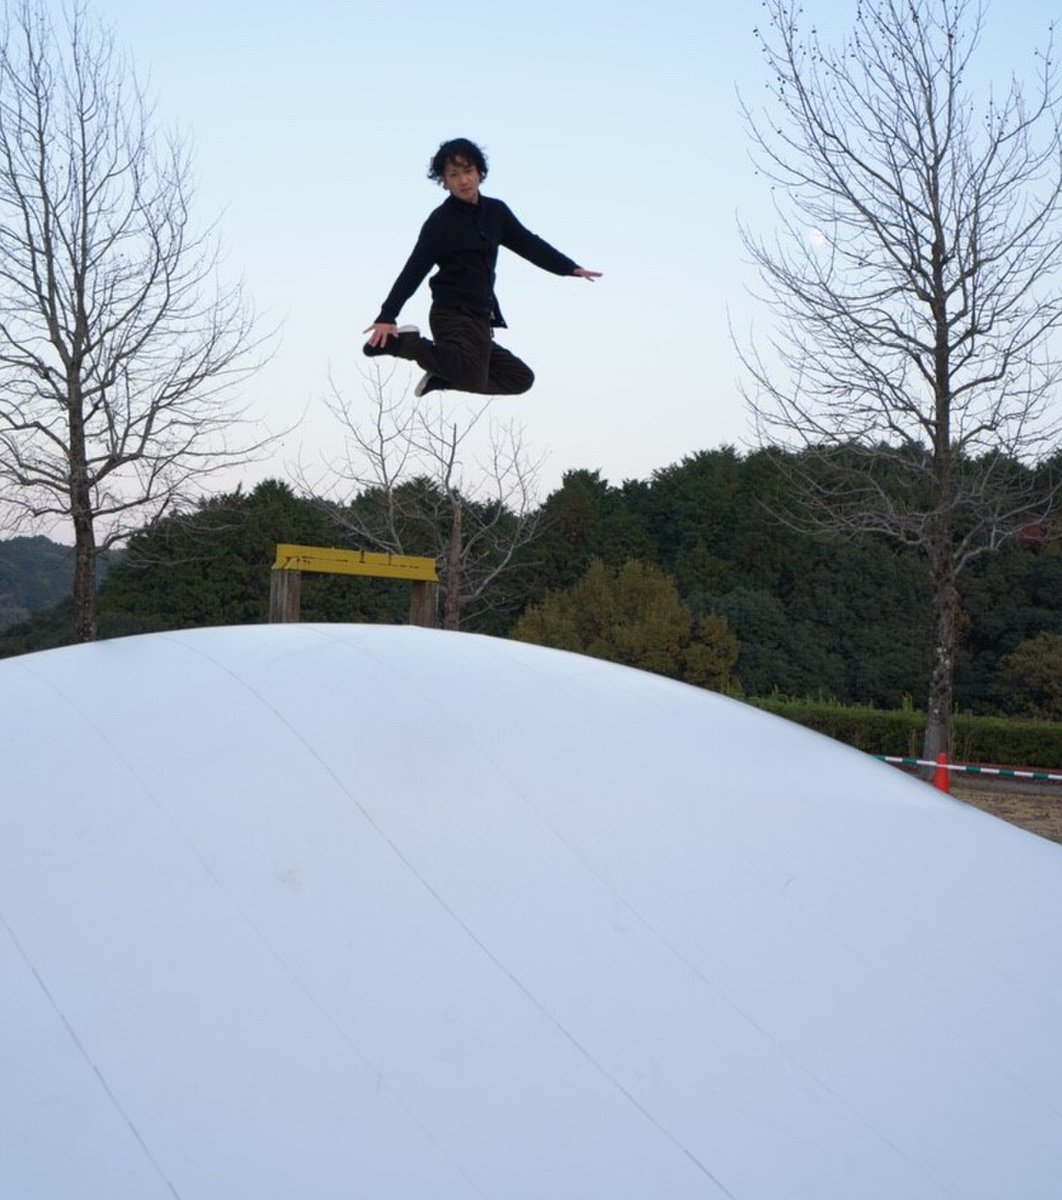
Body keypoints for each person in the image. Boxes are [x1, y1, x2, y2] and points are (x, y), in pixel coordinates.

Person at [363, 137, 601, 398]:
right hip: (451, 315)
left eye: (468, 171)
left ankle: (442, 375)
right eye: (454, 175)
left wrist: (568, 267)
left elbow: (528, 243)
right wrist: (388, 315)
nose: (463, 180)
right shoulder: (440, 222)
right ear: (444, 181)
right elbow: (414, 269)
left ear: (479, 173)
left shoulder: (496, 212)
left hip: (480, 318)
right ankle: (406, 345)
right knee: (471, 377)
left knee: (519, 379)